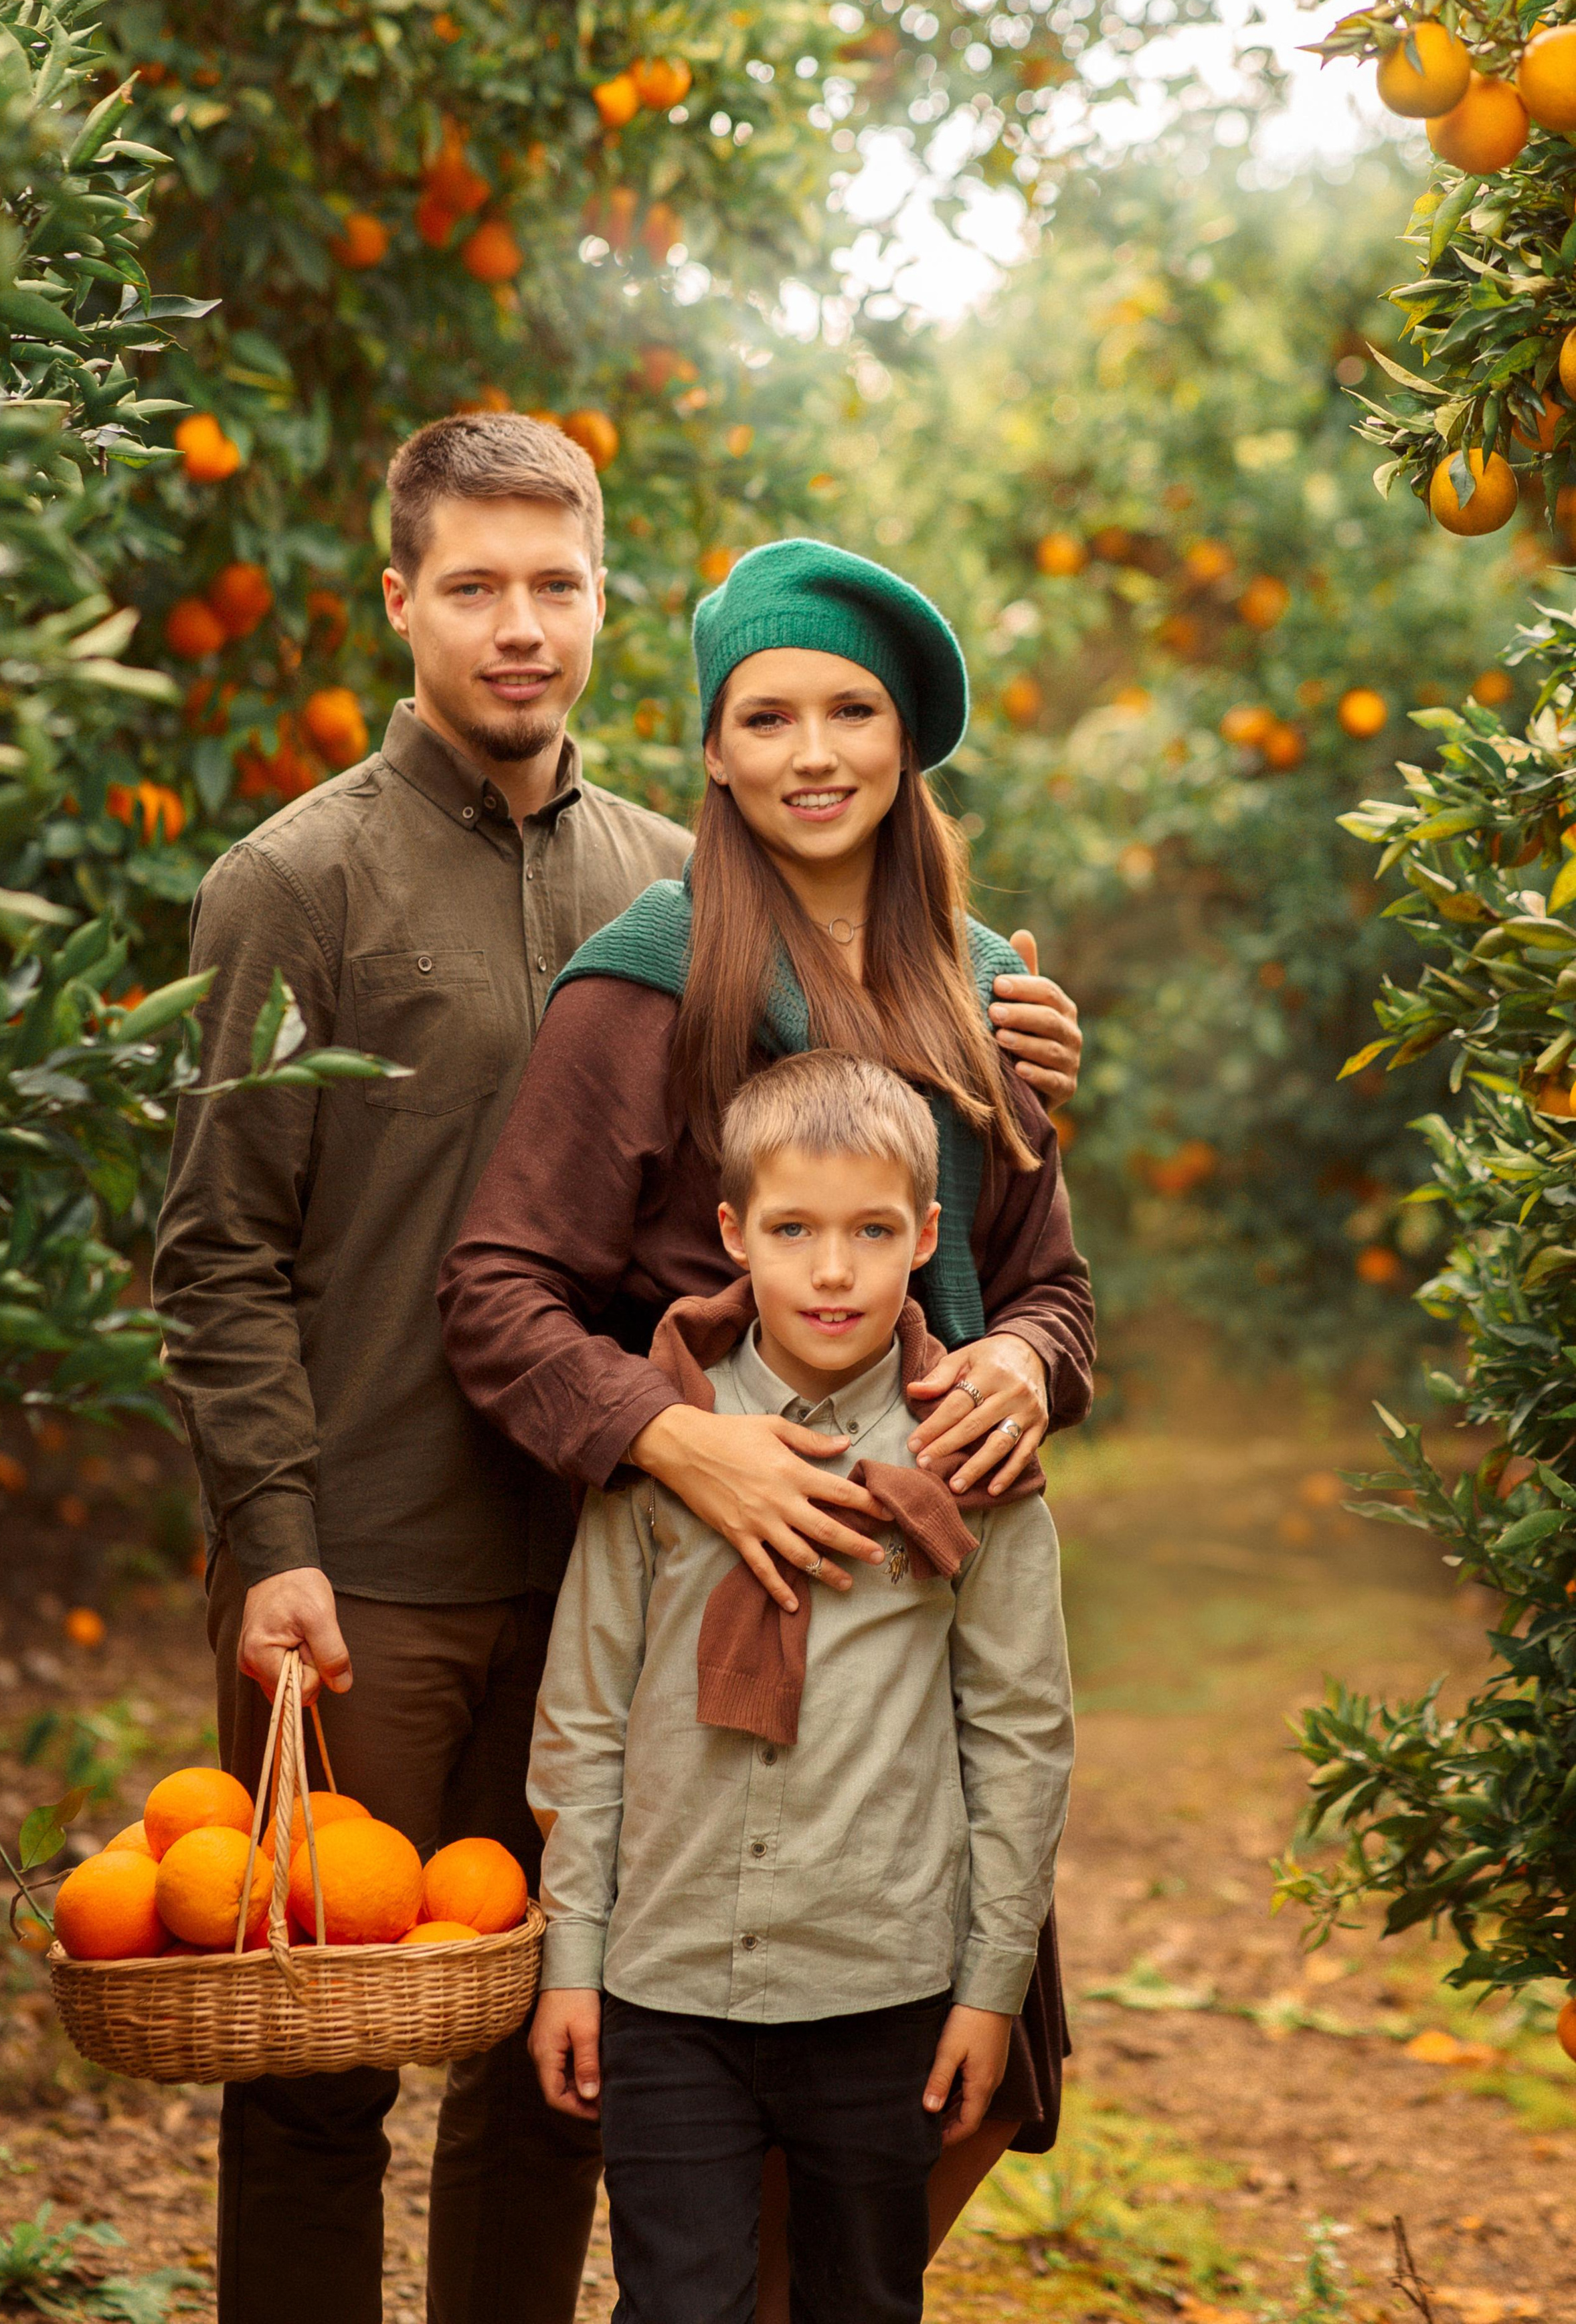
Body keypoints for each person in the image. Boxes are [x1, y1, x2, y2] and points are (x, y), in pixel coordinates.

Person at [153, 420, 1083, 2324]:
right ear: (400, 600)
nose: (519, 626)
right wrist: (271, 1538)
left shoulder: (695, 882)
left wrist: (1027, 1281)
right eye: (475, 587)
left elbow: (928, 1208)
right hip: (387, 1553)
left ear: (603, 606)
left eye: (554, 587)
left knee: (565, 2065)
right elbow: (222, 1250)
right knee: (320, 2058)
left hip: (628, 1560)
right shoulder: (299, 879)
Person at [440, 537, 1096, 2301]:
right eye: (768, 715)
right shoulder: (644, 981)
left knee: (935, 2086)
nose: (814, 752)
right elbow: (493, 1295)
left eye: (853, 711)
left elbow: (1049, 1284)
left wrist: (1027, 1363)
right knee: (709, 2100)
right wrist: (677, 1439)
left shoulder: (979, 982)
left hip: (928, 1582)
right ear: (713, 753)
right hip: (707, 1571)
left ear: (910, 741)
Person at [524, 1048, 1075, 2324]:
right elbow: (586, 1722)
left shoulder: (971, 1459)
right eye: (794, 1230)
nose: (834, 1271)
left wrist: (990, 1988)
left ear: (926, 1237)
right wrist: (574, 1960)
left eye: (874, 1232)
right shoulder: (667, 1448)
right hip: (666, 1989)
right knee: (679, 2304)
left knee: (864, 2300)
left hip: (884, 1983)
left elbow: (1021, 1736)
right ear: (735, 1235)